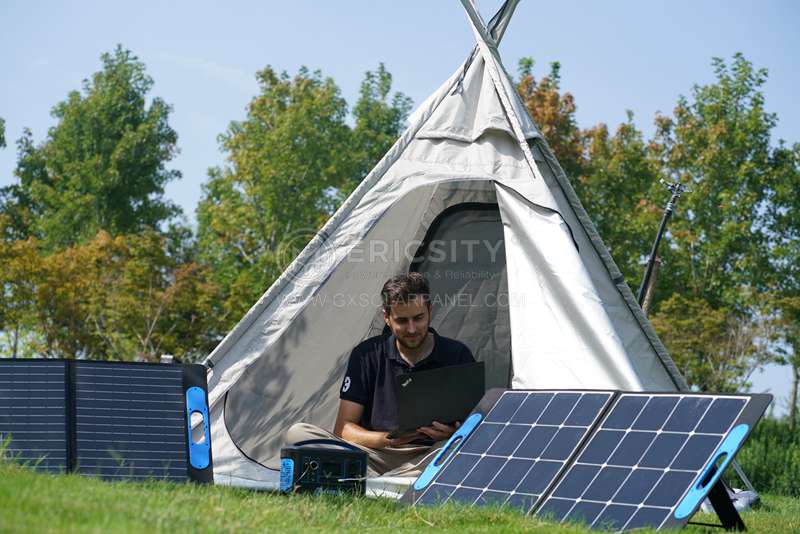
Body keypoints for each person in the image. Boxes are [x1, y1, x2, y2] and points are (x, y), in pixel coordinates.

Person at [282, 272, 475, 477]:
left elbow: (478, 426)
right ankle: (396, 481)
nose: (411, 329)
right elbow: (344, 429)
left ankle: (371, 480)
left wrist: (453, 434)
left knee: (460, 449)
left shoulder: (457, 354)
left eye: (418, 318)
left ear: (429, 310)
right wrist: (386, 439)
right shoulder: (366, 354)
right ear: (387, 317)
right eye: (402, 320)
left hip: (431, 453)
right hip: (375, 453)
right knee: (298, 434)